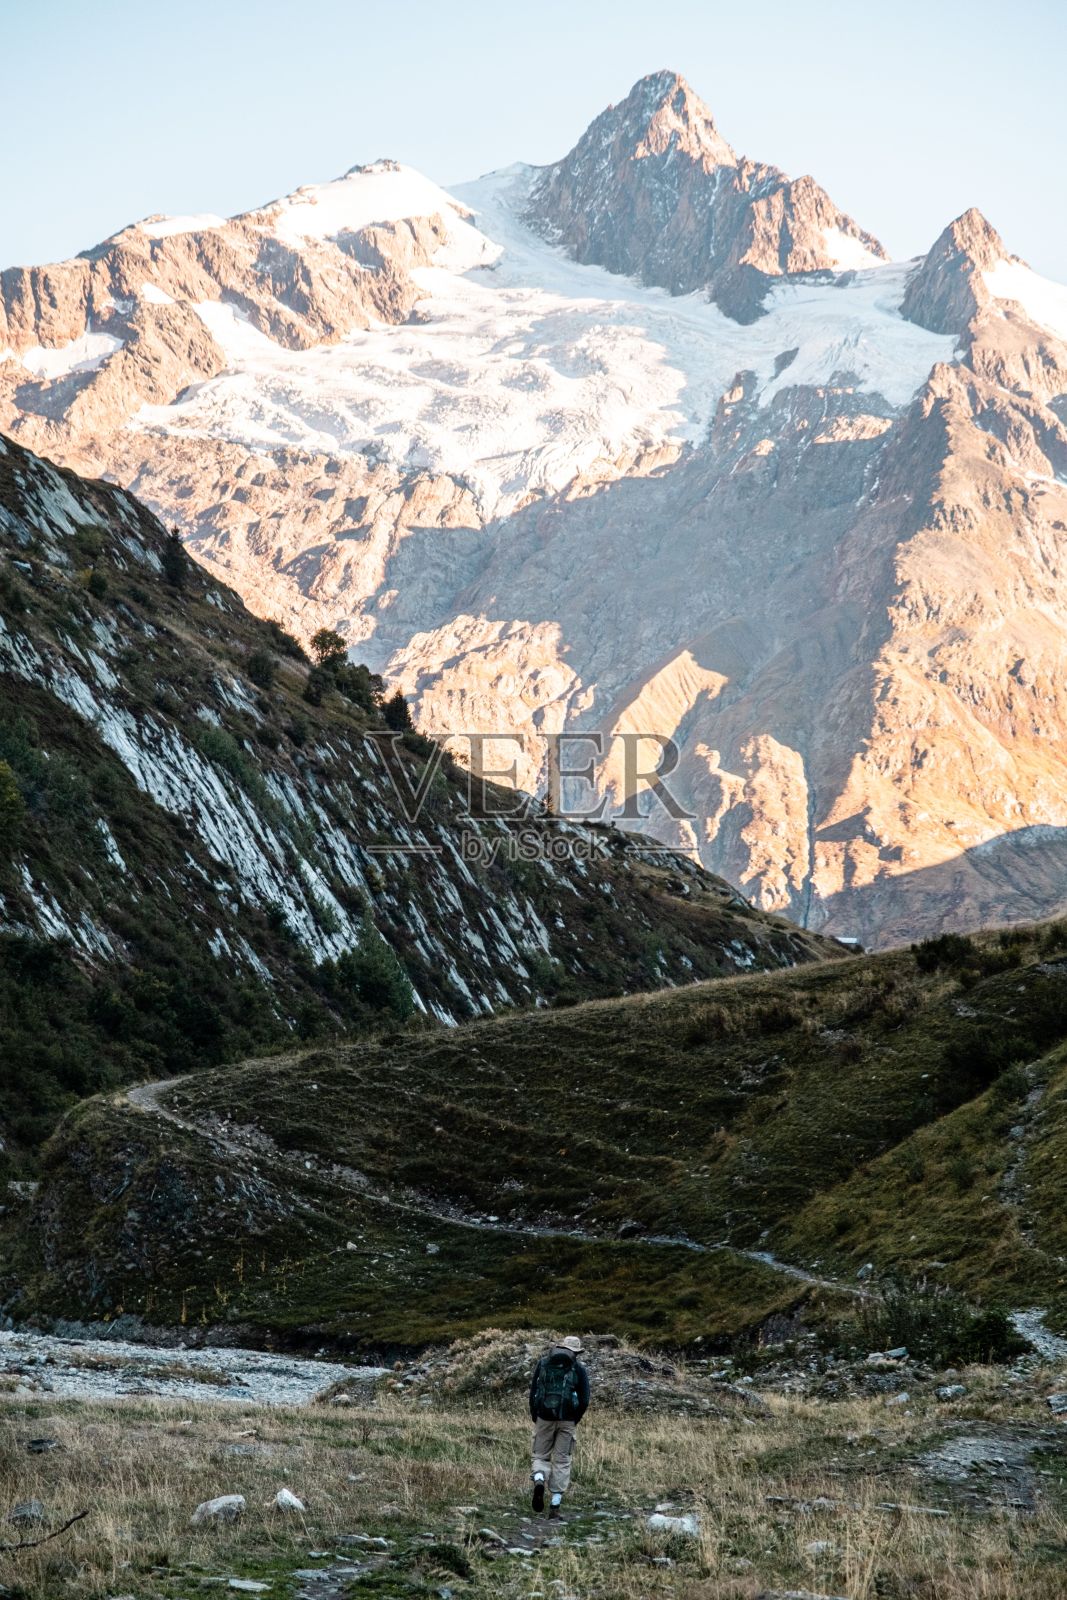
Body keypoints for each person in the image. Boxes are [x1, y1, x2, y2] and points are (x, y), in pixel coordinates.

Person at [528, 1334, 590, 1518]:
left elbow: (533, 1392)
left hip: (543, 1418)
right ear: (576, 1352)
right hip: (567, 1420)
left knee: (540, 1455)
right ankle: (555, 1506)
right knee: (562, 1460)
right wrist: (574, 1419)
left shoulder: (543, 1363)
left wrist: (535, 1415)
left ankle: (539, 1479)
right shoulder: (578, 1368)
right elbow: (585, 1399)